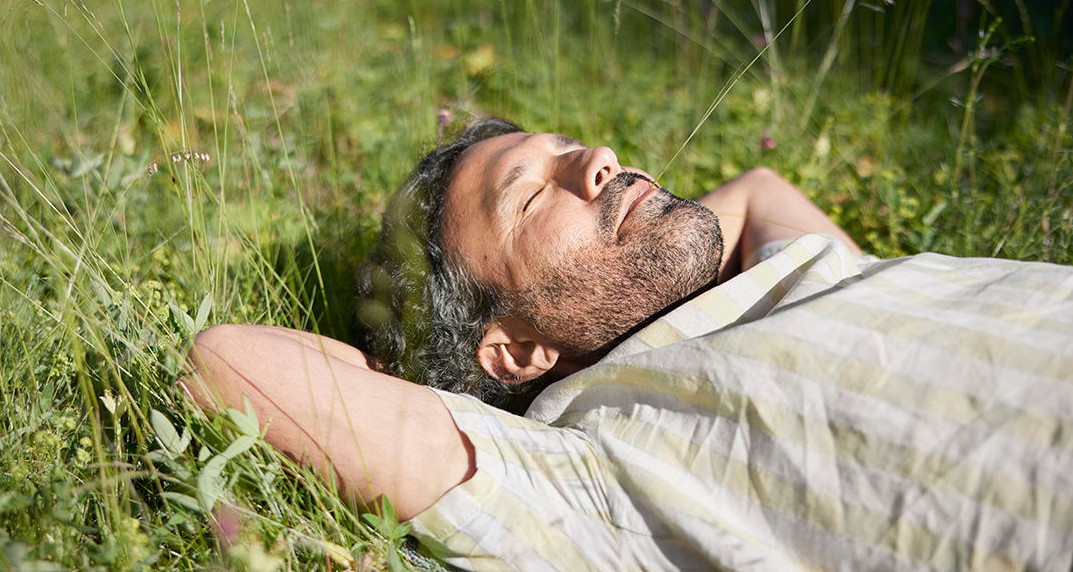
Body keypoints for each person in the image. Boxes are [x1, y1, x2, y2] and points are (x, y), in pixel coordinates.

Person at [183, 117, 1073, 571]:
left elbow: (757, 187)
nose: (599, 159)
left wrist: (638, 251)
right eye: (532, 198)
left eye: (569, 148)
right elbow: (227, 361)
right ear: (517, 354)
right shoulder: (584, 464)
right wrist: (421, 367)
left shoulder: (808, 271)